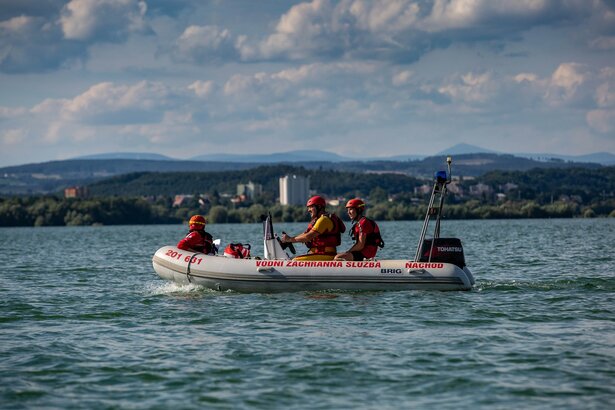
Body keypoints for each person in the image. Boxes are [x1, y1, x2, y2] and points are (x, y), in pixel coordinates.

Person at [281, 195, 345, 261]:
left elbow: (307, 237)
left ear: (319, 207)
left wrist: (290, 239)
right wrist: (289, 240)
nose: (308, 210)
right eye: (308, 208)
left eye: (311, 207)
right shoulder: (320, 219)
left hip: (325, 255)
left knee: (295, 261)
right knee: (291, 258)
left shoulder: (323, 220)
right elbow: (305, 235)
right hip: (321, 254)